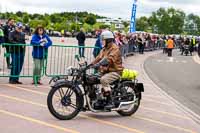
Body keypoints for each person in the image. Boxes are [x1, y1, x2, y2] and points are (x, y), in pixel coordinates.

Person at [91, 30, 124, 109]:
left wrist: (99, 64)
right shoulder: (104, 49)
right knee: (91, 78)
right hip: (106, 71)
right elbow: (98, 57)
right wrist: (90, 64)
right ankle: (98, 99)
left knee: (104, 80)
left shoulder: (115, 48)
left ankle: (110, 101)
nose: (102, 42)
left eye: (103, 40)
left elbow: (110, 59)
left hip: (115, 71)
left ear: (109, 40)